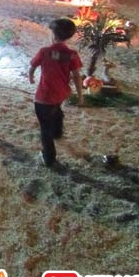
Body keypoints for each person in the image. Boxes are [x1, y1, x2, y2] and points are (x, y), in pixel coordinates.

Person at [28, 18, 84, 168]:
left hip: (44, 95)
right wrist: (80, 96)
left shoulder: (44, 52)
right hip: (61, 93)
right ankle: (57, 131)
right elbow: (77, 76)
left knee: (44, 127)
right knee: (55, 108)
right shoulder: (71, 54)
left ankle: (48, 157)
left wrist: (31, 76)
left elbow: (32, 66)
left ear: (53, 34)